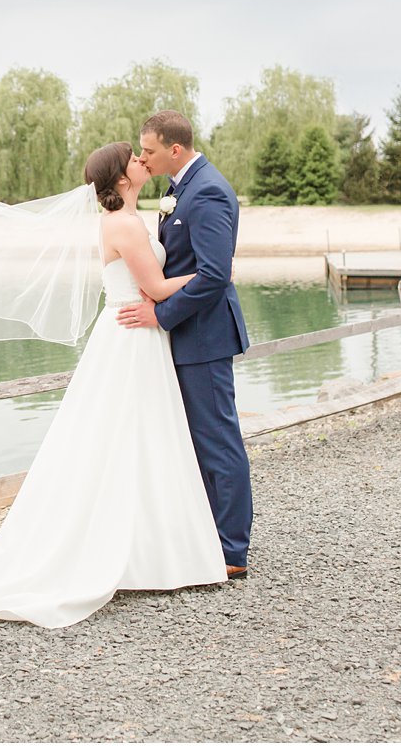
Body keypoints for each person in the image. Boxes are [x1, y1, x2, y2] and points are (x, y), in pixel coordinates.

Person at [0, 141, 226, 628]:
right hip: (132, 337)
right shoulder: (122, 224)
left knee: (134, 438)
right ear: (121, 179)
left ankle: (148, 546)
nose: (143, 162)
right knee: (133, 435)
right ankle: (147, 552)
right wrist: (213, 277)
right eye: (135, 159)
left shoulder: (127, 219)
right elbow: (160, 289)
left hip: (136, 334)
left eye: (145, 156)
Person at [117, 109, 253, 579]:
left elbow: (215, 275)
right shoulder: (178, 191)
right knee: (197, 441)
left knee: (218, 441)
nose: (143, 158)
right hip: (186, 334)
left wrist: (160, 313)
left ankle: (232, 549)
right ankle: (207, 536)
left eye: (149, 150)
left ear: (174, 149)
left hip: (206, 335)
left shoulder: (209, 190)